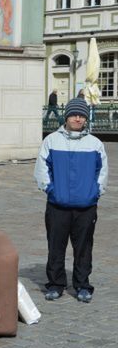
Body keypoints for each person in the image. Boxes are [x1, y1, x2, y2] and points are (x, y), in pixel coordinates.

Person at [34, 97, 108, 303]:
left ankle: (83, 285)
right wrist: (52, 190)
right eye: (74, 114)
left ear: (86, 119)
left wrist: (94, 193)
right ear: (66, 116)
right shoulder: (51, 141)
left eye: (81, 115)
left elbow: (101, 173)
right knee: (56, 246)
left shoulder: (95, 144)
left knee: (83, 248)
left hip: (86, 207)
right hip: (58, 206)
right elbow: (42, 171)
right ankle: (56, 284)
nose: (77, 118)